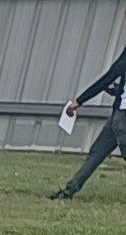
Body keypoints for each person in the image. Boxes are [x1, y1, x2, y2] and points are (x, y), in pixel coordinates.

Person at [51, 45, 126, 199]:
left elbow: (112, 74)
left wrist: (80, 100)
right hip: (118, 113)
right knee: (98, 151)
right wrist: (118, 90)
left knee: (98, 152)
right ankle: (70, 190)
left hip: (122, 116)